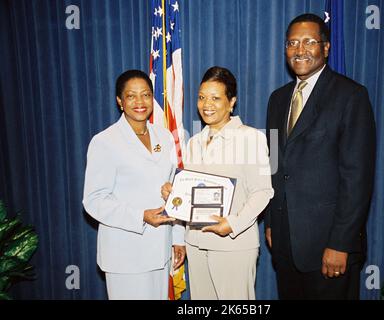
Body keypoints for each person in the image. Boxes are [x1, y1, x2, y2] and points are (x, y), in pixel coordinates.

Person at [265, 14, 376, 299]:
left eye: (309, 41)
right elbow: (275, 164)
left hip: (330, 247)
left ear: (326, 48)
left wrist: (341, 243)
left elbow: (357, 178)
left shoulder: (351, 96)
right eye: (292, 42)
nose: (299, 49)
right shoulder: (278, 99)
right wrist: (271, 223)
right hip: (286, 244)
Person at [162, 66, 274, 299]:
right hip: (196, 242)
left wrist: (232, 224)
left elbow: (263, 192)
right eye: (202, 97)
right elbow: (191, 193)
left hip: (233, 244)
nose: (206, 104)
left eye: (215, 98)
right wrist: (174, 195)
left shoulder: (252, 138)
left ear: (231, 101)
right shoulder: (194, 142)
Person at [83, 69, 186, 300]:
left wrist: (178, 238)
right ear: (120, 101)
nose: (140, 102)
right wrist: (140, 216)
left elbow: (175, 189)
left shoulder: (165, 137)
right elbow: (94, 200)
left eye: (146, 95)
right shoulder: (104, 142)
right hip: (125, 253)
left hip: (161, 250)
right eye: (131, 96)